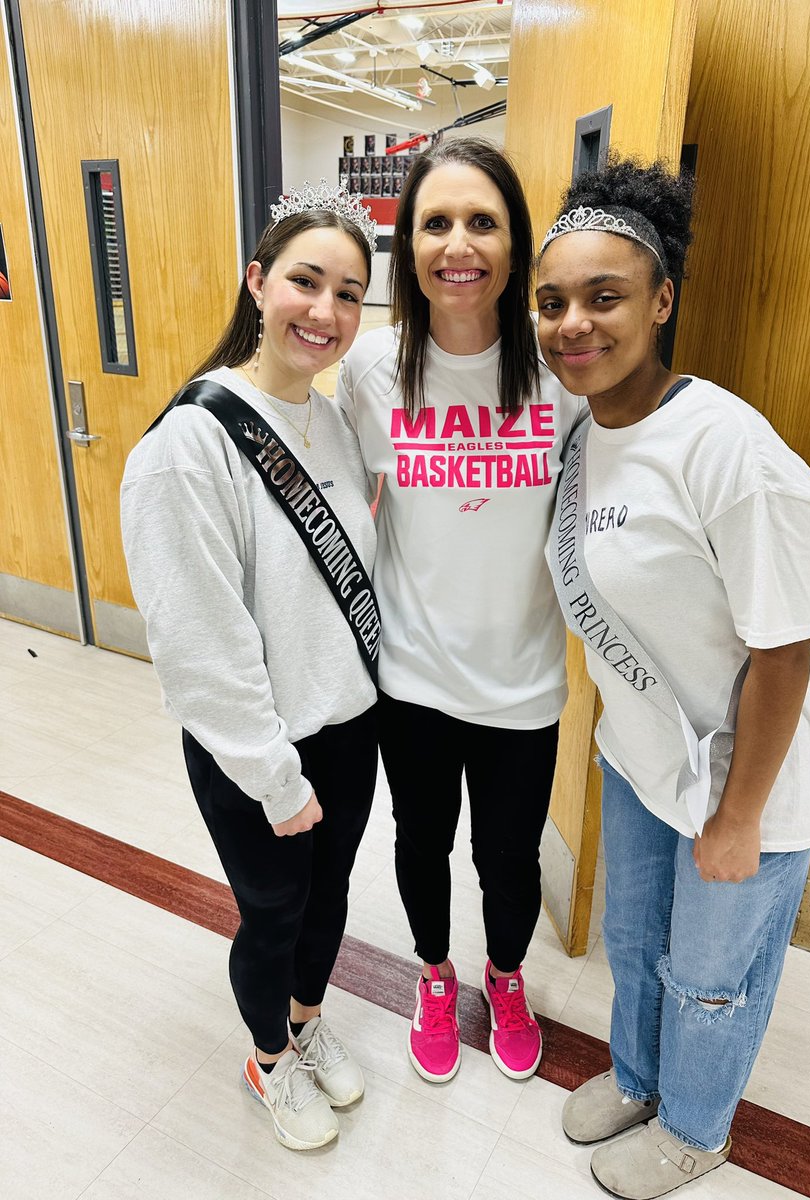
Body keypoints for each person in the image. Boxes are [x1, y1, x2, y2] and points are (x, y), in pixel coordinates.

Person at [535, 156, 810, 1198]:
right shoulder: (586, 432)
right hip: (641, 757)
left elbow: (783, 648)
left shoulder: (725, 450)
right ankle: (638, 1076)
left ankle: (699, 1127)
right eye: (554, 303)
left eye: (605, 296)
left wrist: (738, 816)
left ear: (662, 299)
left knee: (712, 979)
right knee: (633, 938)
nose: (574, 323)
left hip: (748, 779)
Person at [121, 182, 381, 1152]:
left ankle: (309, 1026)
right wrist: (273, 777)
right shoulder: (191, 446)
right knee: (272, 915)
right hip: (258, 748)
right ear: (257, 281)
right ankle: (268, 1056)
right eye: (306, 282)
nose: (326, 311)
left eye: (350, 293)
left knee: (333, 900)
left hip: (349, 723)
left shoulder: (333, 419)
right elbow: (197, 645)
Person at [337, 137, 584, 1084]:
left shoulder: (563, 375)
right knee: (422, 842)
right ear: (412, 246)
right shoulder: (369, 372)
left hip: (524, 681)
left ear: (514, 245)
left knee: (510, 859)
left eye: (482, 221)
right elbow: (346, 499)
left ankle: (506, 977)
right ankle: (436, 977)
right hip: (414, 678)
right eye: (435, 222)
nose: (458, 244)